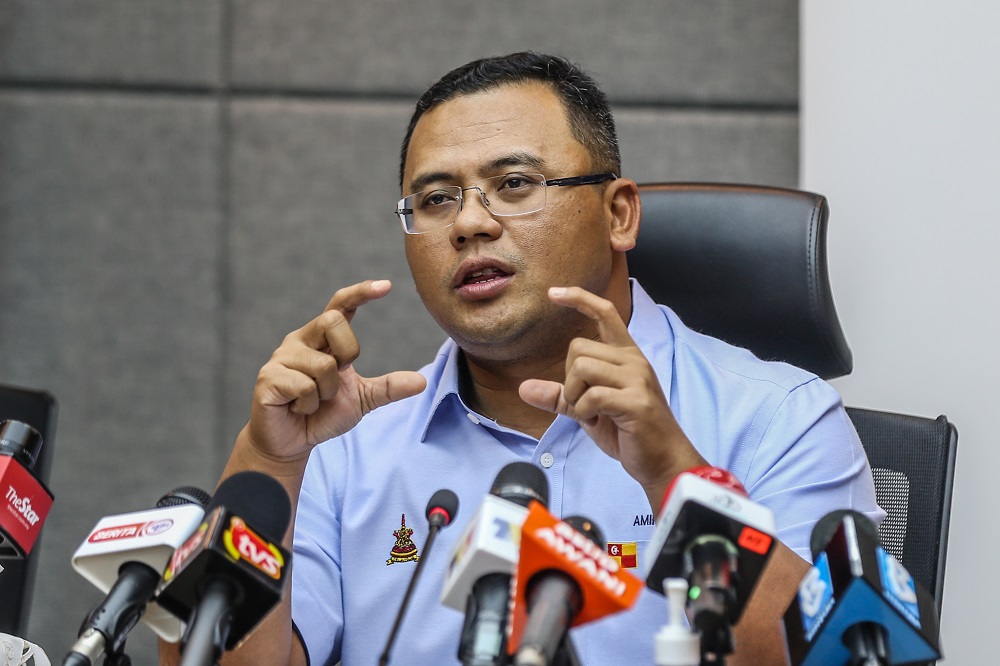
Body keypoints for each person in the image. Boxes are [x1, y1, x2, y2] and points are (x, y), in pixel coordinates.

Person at [161, 51, 883, 665]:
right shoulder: (344, 451)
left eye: (514, 185)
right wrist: (267, 460)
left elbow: (832, 652)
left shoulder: (777, 419)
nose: (471, 223)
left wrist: (673, 474)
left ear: (619, 213)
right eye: (436, 199)